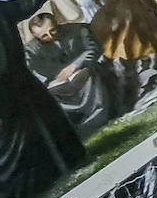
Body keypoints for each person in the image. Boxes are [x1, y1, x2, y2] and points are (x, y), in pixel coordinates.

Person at [0, 0, 86, 198]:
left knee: (46, 133)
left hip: (23, 88)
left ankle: (63, 174)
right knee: (7, 156)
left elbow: (20, 6)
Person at [24, 12, 114, 140]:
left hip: (86, 74)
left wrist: (75, 65)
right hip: (58, 87)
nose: (50, 36)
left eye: (52, 31)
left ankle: (99, 117)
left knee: (89, 78)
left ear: (57, 24)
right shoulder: (30, 50)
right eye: (44, 36)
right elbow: (32, 73)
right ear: (34, 35)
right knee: (48, 98)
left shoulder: (78, 29)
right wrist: (51, 81)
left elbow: (93, 49)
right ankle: (77, 130)